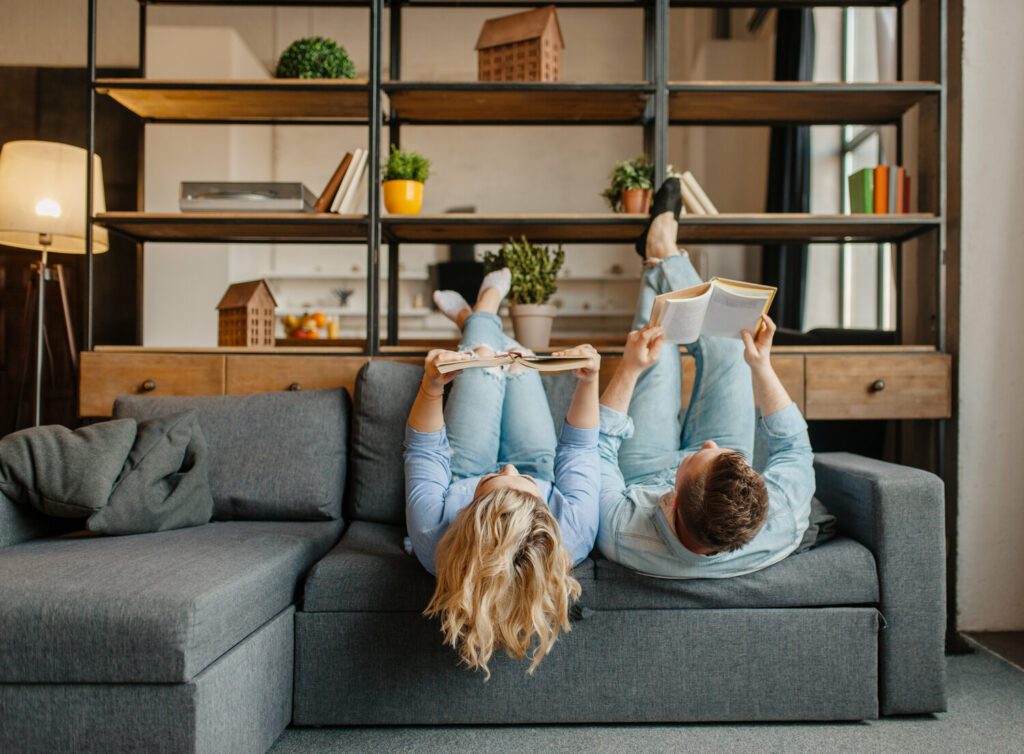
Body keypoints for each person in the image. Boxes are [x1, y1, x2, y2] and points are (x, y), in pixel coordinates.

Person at [597, 178, 815, 578]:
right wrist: (762, 365)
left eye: (705, 452)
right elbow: (794, 449)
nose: (710, 443)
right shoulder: (780, 520)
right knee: (733, 346)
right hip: (705, 487)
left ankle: (658, 257)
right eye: (727, 455)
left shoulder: (623, 531)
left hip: (644, 468)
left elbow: (593, 451)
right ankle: (660, 256)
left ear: (673, 500)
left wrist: (629, 368)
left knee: (656, 352)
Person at [404, 268, 601, 678]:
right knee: (518, 363)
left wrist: (432, 387)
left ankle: (485, 306)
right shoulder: (574, 534)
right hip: (541, 464)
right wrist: (589, 381)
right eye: (523, 484)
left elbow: (424, 450)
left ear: (466, 516)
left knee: (484, 362)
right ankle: (475, 320)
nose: (507, 468)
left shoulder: (432, 539)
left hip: (465, 466)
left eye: (498, 479)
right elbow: (580, 448)